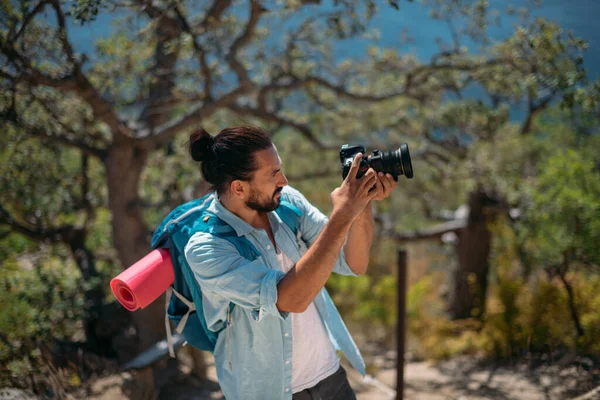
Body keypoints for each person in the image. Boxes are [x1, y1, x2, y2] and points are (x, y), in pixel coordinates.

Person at [184, 125, 398, 400]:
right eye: (273, 175)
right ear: (238, 187)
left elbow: (353, 262)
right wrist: (343, 214)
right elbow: (289, 300)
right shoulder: (207, 248)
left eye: (280, 169)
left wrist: (362, 200)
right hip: (271, 392)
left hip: (329, 376)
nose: (284, 180)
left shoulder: (287, 204)